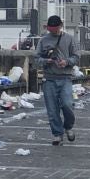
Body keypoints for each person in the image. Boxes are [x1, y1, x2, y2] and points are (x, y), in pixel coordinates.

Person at [36, 15, 80, 146]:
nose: (53, 32)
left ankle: (68, 126)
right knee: (52, 109)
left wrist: (67, 62)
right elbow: (36, 58)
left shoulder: (69, 39)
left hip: (65, 77)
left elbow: (76, 56)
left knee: (68, 105)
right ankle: (57, 134)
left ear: (60, 27)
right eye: (51, 29)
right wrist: (46, 61)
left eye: (54, 29)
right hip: (49, 78)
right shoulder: (43, 41)